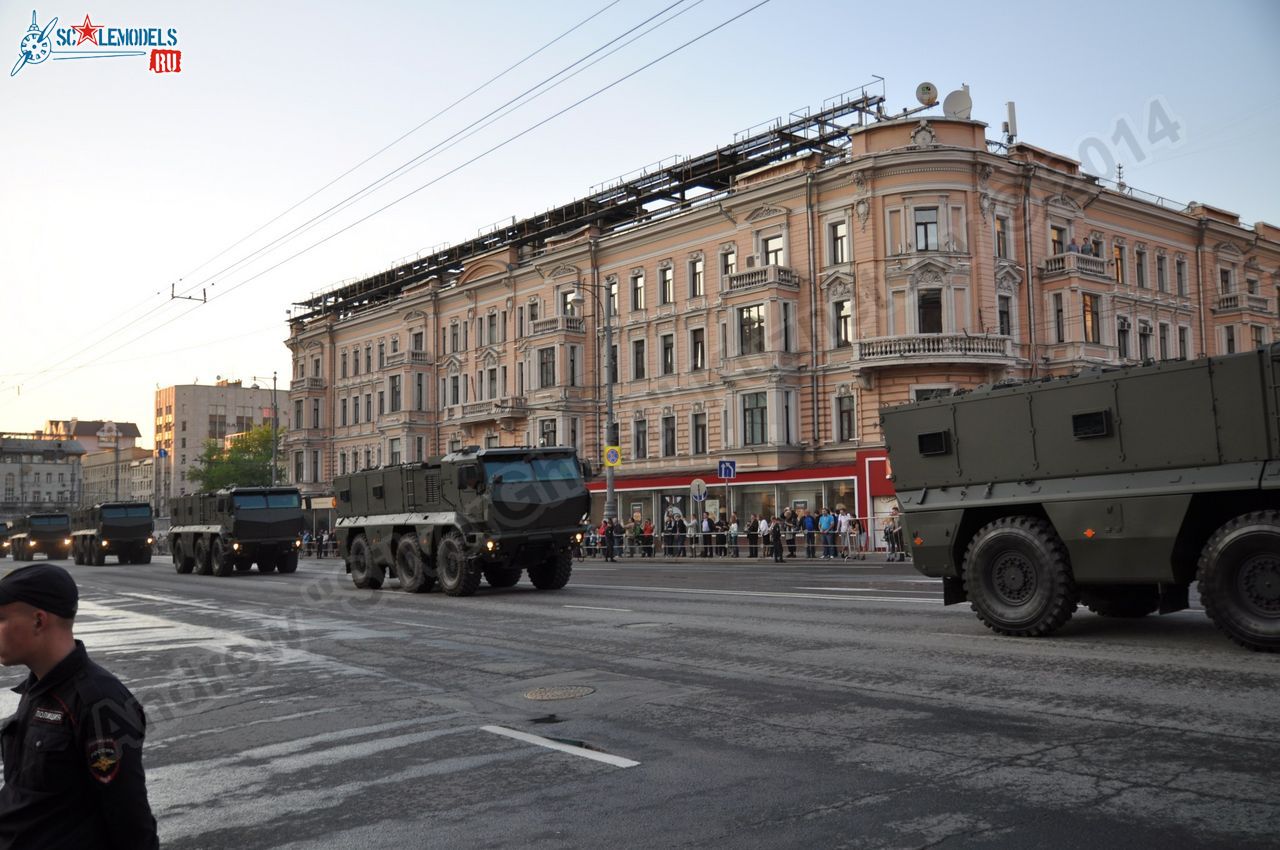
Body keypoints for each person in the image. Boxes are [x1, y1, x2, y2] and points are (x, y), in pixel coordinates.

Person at [0, 564, 159, 849]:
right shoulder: (39, 688)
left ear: (38, 621)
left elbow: (130, 821)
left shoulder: (99, 703)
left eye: (0, 619)